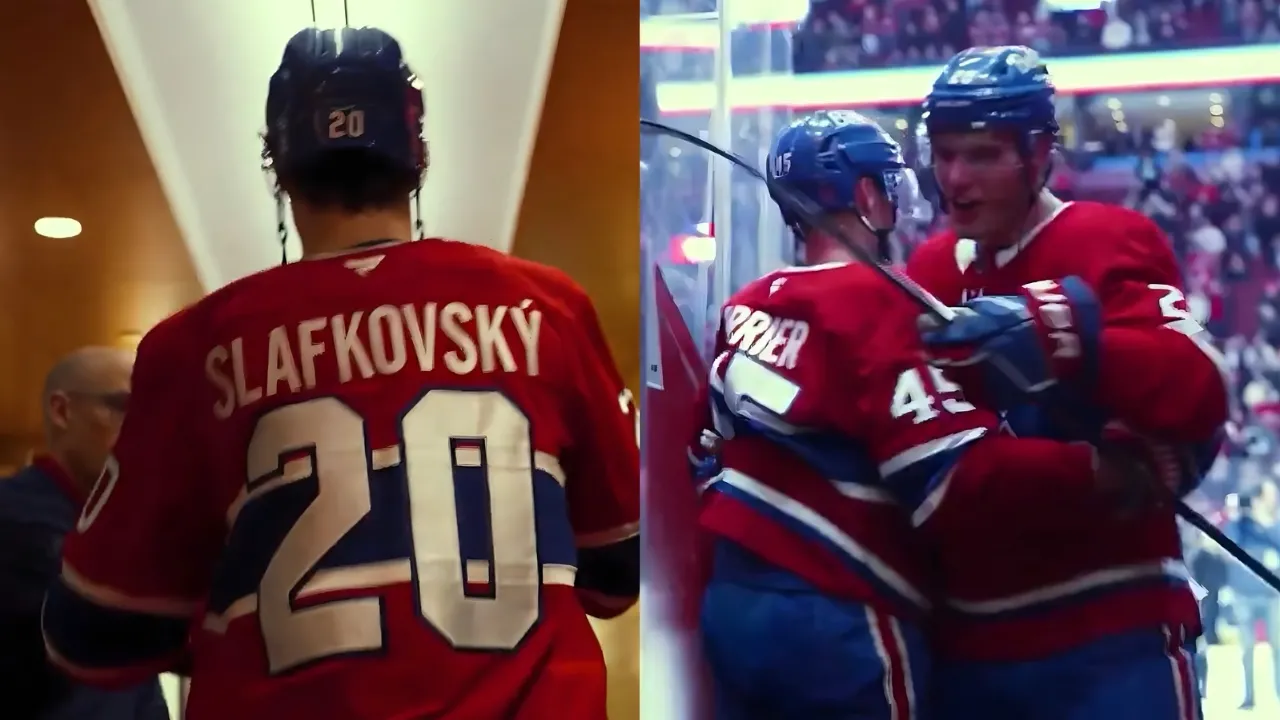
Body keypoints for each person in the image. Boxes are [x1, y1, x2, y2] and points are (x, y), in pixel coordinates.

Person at [41, 27, 639, 720]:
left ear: (280, 167)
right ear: (416, 155)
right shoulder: (549, 308)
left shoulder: (193, 348)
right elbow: (614, 576)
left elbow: (93, 634)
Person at [693, 109, 1172, 719]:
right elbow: (956, 480)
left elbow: (703, 452)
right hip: (837, 609)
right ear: (866, 194)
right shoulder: (881, 300)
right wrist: (1099, 470)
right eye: (889, 184)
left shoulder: (745, 307)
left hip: (730, 602)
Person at [905, 45, 1229, 719]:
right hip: (970, 645)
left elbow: (1198, 389)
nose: (955, 178)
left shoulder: (1110, 236)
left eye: (983, 154)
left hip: (1115, 631)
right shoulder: (929, 271)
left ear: (1038, 151)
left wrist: (1071, 340)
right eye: (943, 153)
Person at [0, 347, 169, 720]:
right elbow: (103, 631)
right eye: (124, 406)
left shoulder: (109, 525)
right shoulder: (16, 517)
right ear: (62, 411)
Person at [1225, 491, 1280, 710]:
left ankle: (1276, 693)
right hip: (1245, 595)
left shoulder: (1270, 527)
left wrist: (1265, 523)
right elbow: (1229, 549)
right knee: (1248, 649)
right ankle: (1249, 697)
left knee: (1276, 648)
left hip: (1269, 595)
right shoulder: (1236, 527)